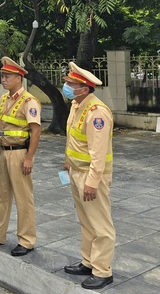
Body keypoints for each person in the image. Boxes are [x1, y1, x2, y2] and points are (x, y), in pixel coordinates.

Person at [0, 57, 41, 257]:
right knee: (2, 196)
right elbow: (1, 126)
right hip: (4, 152)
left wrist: (29, 158)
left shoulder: (29, 101)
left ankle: (27, 240)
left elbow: (36, 132)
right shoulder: (5, 99)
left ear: (19, 78)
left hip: (20, 153)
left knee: (23, 199)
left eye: (7, 76)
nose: (3, 79)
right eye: (2, 75)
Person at [61, 62, 115, 290]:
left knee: (100, 224)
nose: (66, 86)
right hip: (75, 172)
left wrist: (92, 183)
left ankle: (103, 270)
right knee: (85, 221)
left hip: (91, 177)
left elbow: (98, 153)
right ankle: (88, 261)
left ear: (84, 88)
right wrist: (68, 163)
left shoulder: (97, 113)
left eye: (70, 84)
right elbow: (75, 140)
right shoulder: (77, 105)